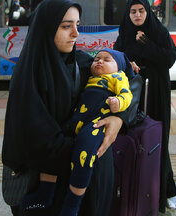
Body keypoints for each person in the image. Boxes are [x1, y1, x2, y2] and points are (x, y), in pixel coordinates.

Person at [1, 0, 140, 216]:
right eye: (66, 26)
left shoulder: (82, 62)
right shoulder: (29, 77)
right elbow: (37, 139)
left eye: (77, 25)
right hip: (49, 185)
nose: (76, 33)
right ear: (46, 29)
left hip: (90, 179)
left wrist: (119, 117)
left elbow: (130, 83)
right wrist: (84, 150)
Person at [20, 48, 134, 216]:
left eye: (107, 59)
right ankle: (45, 192)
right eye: (98, 59)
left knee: (85, 154)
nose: (99, 62)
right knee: (52, 145)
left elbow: (129, 92)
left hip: (95, 127)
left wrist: (119, 113)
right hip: (71, 125)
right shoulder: (34, 61)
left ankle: (72, 204)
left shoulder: (108, 72)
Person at [113, 0, 176, 212]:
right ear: (128, 14)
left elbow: (169, 59)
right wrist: (127, 64)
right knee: (133, 138)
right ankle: (133, 188)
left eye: (141, 10)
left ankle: (167, 190)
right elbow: (116, 60)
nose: (137, 15)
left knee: (158, 138)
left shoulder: (159, 32)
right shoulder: (123, 35)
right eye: (133, 11)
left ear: (148, 11)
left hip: (156, 91)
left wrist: (147, 44)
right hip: (132, 94)